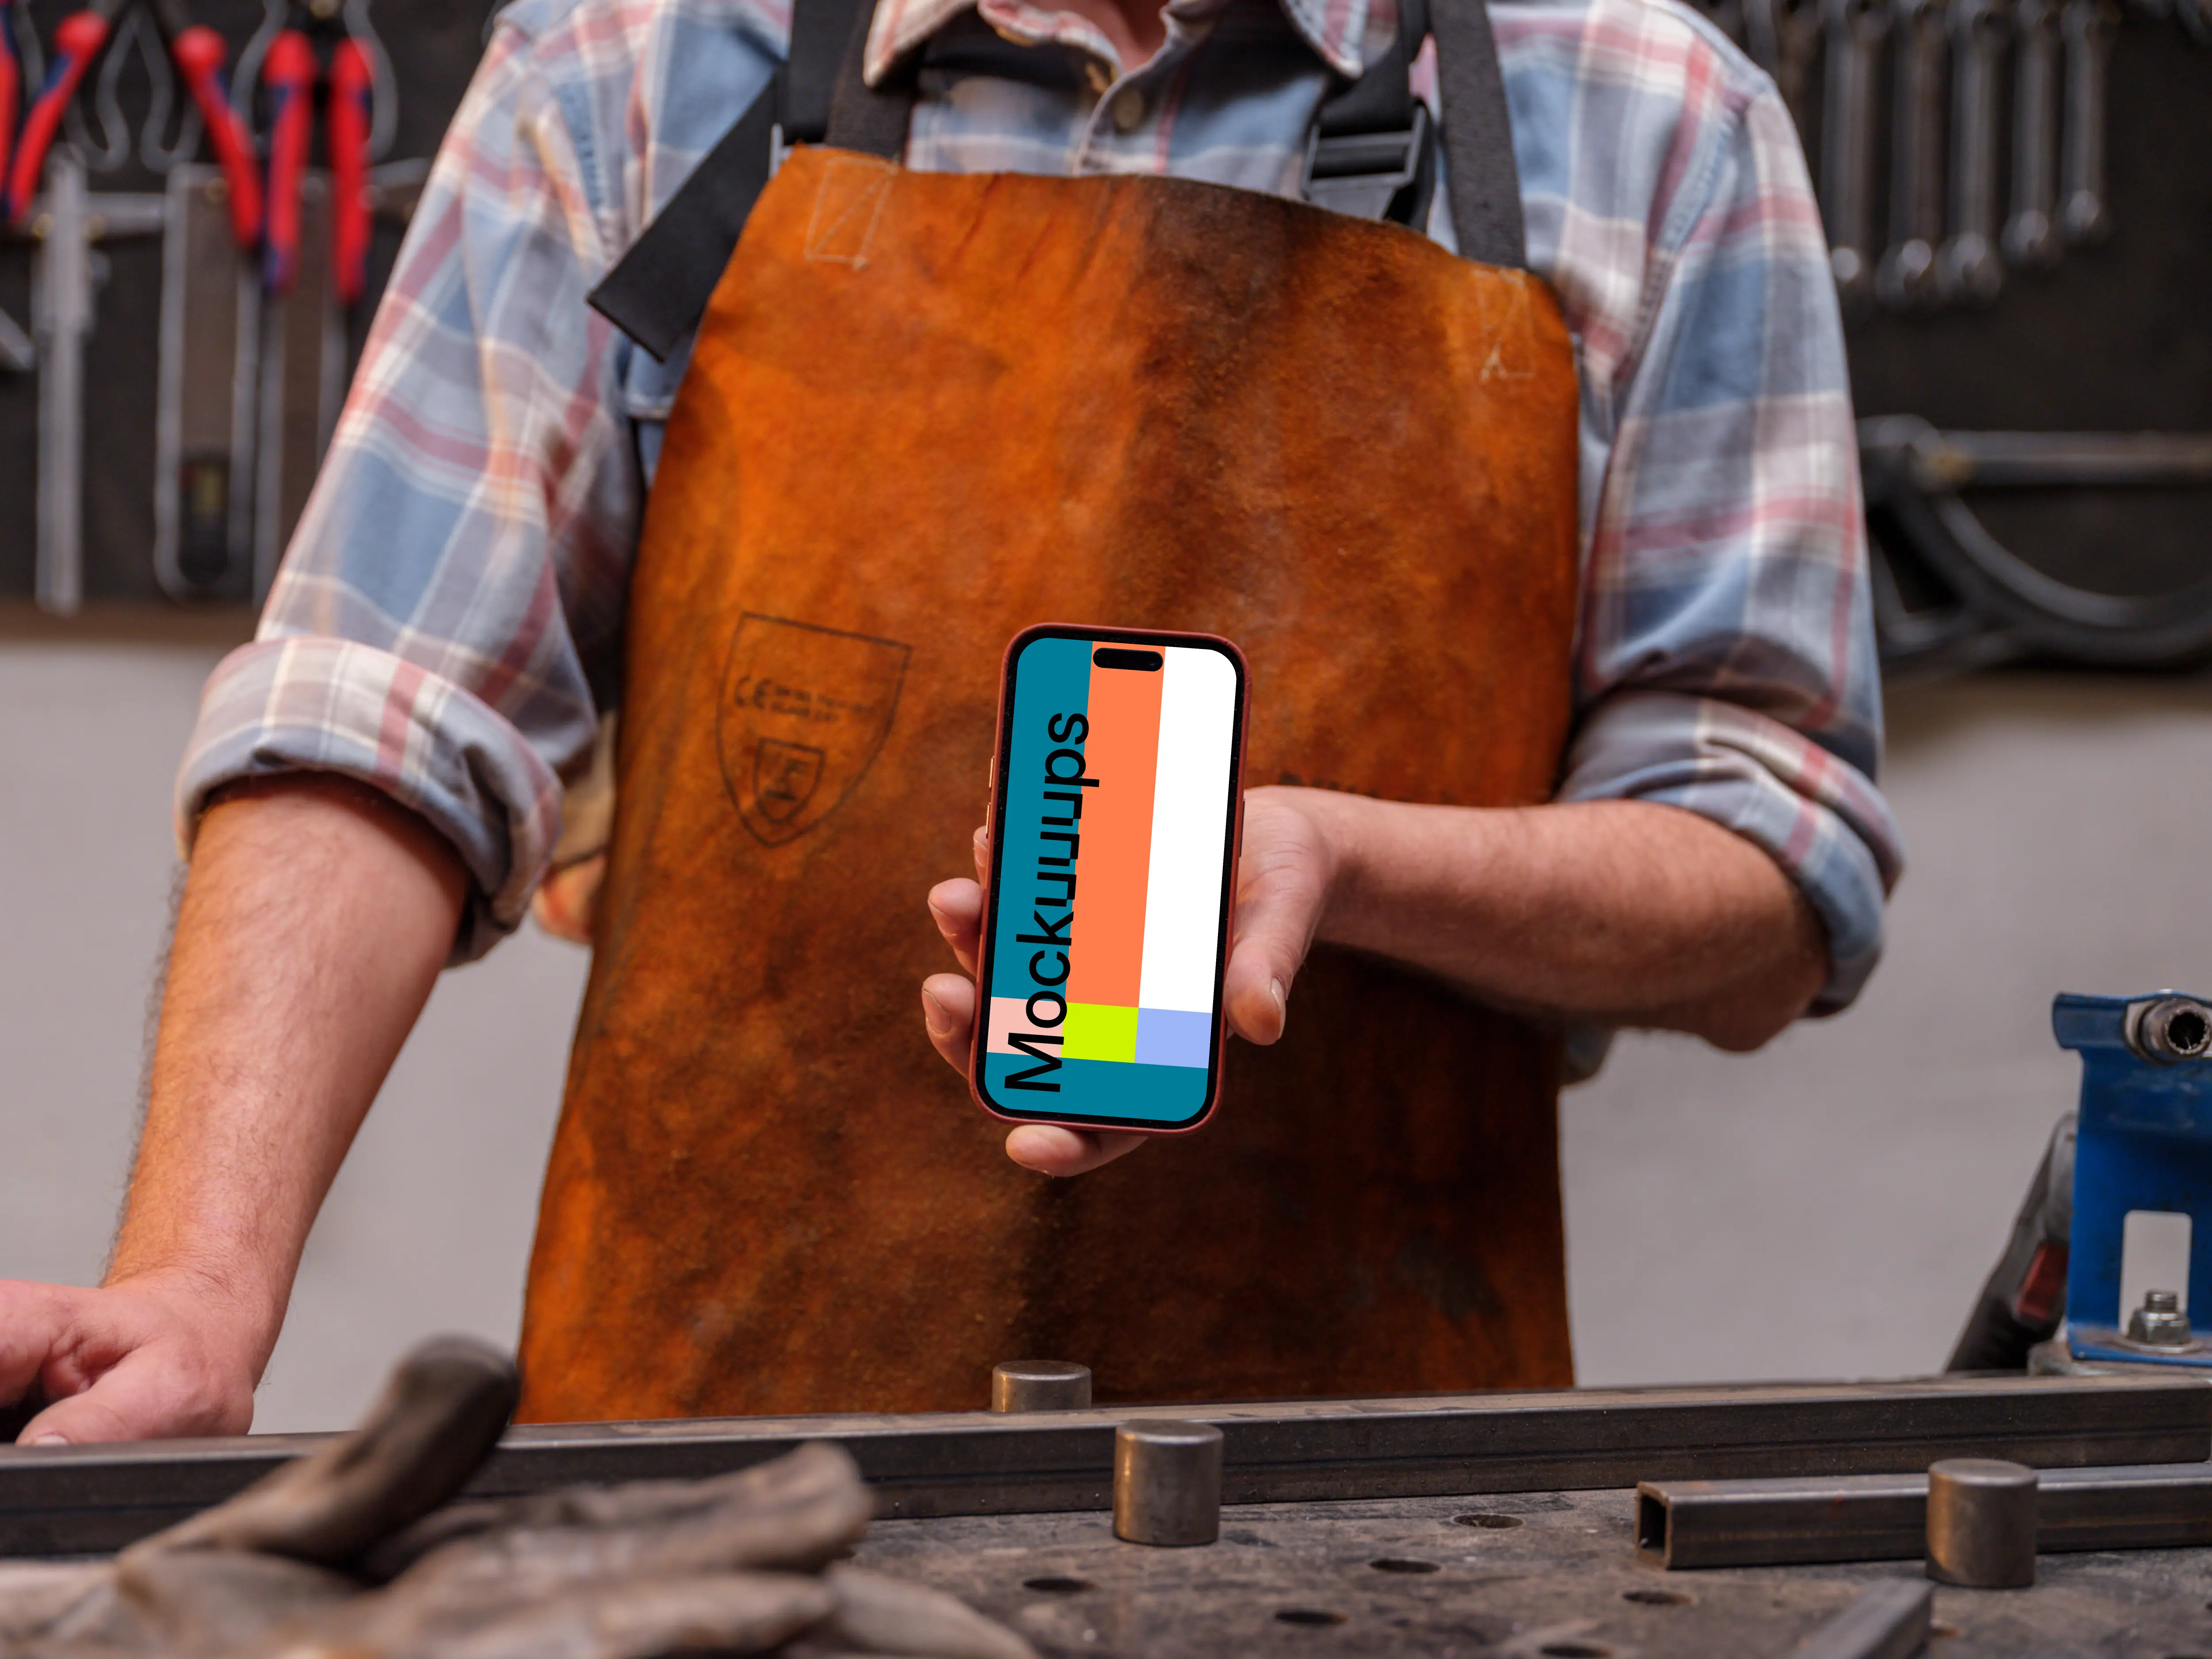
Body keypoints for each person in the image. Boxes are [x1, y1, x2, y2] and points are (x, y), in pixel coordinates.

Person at [0, 0, 1901, 1442]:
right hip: (709, 1475)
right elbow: (382, 718)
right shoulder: (632, 72)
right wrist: (196, 1281)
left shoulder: (1647, 119)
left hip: (1375, 1500)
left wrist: (1343, 862)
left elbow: (1766, 867)